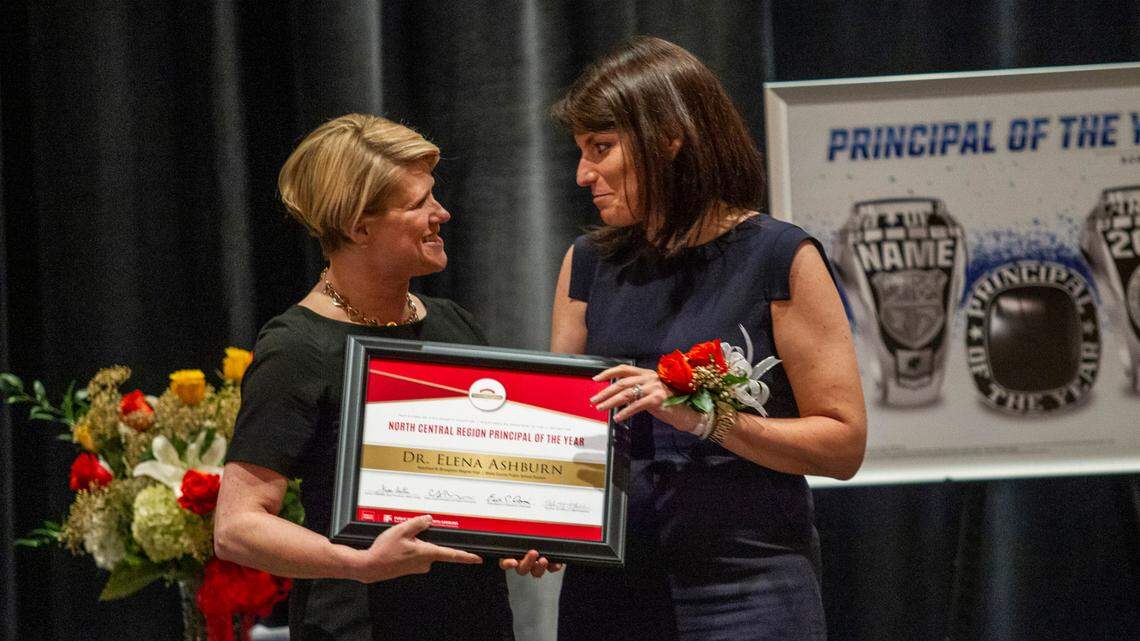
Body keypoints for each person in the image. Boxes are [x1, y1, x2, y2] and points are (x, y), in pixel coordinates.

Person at [526, 36, 868, 640]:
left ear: (668, 139)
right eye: (580, 152)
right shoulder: (587, 264)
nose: (583, 175)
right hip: (610, 590)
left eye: (601, 148)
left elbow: (842, 447)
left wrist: (704, 417)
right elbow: (568, 436)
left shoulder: (780, 256)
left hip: (749, 587)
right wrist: (536, 523)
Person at [214, 114, 514, 641]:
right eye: (419, 203)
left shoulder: (454, 323)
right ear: (358, 227)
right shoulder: (298, 347)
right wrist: (359, 563)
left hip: (476, 619)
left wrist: (531, 536)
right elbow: (237, 527)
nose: (442, 213)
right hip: (357, 625)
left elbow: (494, 475)